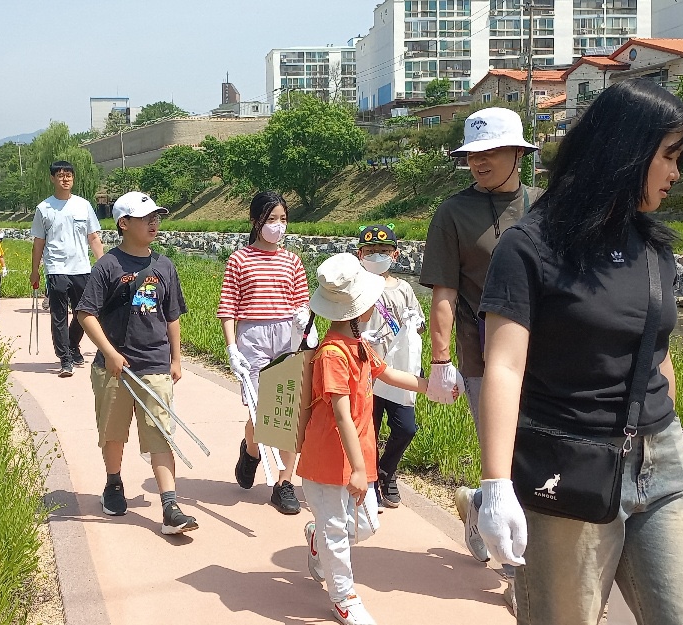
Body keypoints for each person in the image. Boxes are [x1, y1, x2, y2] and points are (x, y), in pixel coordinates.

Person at [475, 80, 683, 624]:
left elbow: (657, 352)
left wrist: (661, 422)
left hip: (663, 467)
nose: (676, 173)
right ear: (626, 152)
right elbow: (505, 366)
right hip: (568, 467)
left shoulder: (652, 245)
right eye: (669, 157)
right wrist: (496, 484)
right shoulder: (532, 246)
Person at [417, 106, 541, 610]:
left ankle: (477, 503)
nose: (480, 162)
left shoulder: (543, 206)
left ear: (518, 154)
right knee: (511, 460)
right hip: (481, 359)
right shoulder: (452, 213)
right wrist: (441, 361)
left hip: (540, 356)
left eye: (491, 152)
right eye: (473, 155)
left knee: (540, 457)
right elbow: (444, 292)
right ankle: (519, 578)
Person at [298, 252, 455, 625]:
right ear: (359, 309)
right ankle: (343, 597)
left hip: (359, 455)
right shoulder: (332, 354)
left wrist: (433, 387)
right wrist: (355, 467)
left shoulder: (359, 344)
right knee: (339, 531)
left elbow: (389, 375)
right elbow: (339, 413)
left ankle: (317, 537)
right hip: (327, 459)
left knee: (364, 525)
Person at [76, 191, 198, 535]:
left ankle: (170, 506)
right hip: (114, 368)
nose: (154, 223)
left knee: (160, 434)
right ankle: (113, 483)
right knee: (113, 434)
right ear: (124, 224)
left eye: (156, 217)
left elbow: (171, 314)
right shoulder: (108, 266)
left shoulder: (164, 265)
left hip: (155, 364)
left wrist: (176, 357)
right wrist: (110, 353)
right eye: (146, 218)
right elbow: (85, 313)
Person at [218, 190, 312, 515]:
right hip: (253, 337)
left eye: (283, 219)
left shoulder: (293, 261)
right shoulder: (239, 259)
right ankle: (251, 450)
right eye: (271, 219)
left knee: (285, 409)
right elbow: (228, 306)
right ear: (255, 221)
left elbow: (303, 302)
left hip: (287, 336)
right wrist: (232, 346)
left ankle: (284, 483)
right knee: (259, 411)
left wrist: (305, 321)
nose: (278, 226)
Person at [354, 224, 425, 509]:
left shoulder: (405, 288)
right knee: (367, 428)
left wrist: (414, 323)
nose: (377, 255)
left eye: (383, 251)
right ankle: (370, 478)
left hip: (398, 372)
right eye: (371, 251)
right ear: (360, 254)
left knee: (405, 427)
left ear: (394, 254)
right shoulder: (357, 285)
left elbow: (418, 326)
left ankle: (387, 471)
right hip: (366, 371)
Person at [29, 161, 105, 378]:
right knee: (59, 315)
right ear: (52, 178)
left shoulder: (83, 205)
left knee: (86, 313)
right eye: (60, 175)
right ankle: (65, 359)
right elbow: (38, 243)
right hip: (56, 268)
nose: (65, 179)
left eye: (69, 175)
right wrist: (35, 270)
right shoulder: (44, 208)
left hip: (82, 267)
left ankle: (72, 344)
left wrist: (104, 265)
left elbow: (93, 237)